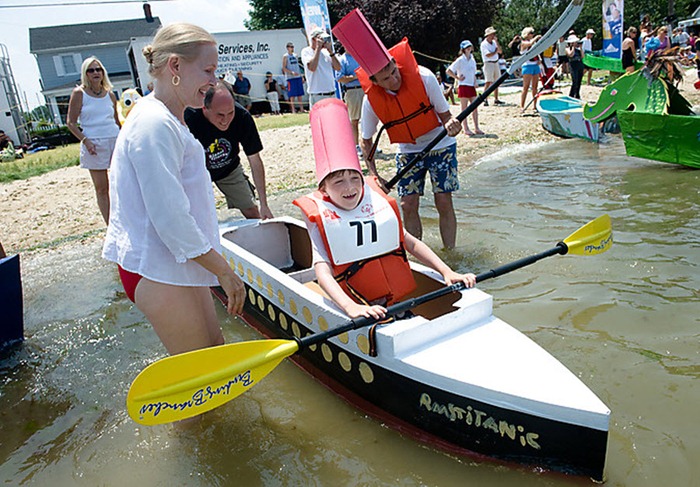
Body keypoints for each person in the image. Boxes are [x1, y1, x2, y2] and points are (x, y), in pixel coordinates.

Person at [102, 23, 245, 361]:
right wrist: (223, 271)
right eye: (208, 70)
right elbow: (170, 218)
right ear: (175, 66)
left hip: (177, 259)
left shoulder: (171, 118)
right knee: (196, 382)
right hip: (154, 264)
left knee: (215, 359)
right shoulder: (153, 124)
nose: (214, 80)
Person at [293, 98, 476, 320]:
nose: (350, 187)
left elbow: (411, 243)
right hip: (355, 303)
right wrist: (350, 307)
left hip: (393, 302)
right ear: (324, 188)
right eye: (338, 182)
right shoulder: (321, 218)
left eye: (354, 178)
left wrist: (446, 271)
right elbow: (323, 274)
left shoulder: (375, 202)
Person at [333, 9, 462, 249]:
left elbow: (446, 118)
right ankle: (418, 257)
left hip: (440, 144)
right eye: (386, 78)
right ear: (375, 82)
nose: (394, 79)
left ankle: (450, 254)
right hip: (408, 149)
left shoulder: (424, 77)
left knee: (443, 201)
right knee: (407, 204)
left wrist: (452, 125)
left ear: (395, 62)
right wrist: (374, 173)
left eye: (394, 71)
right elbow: (366, 141)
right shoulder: (371, 100)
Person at [185, 80, 273, 220]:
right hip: (196, 172)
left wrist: (264, 204)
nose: (226, 120)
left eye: (230, 113)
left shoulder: (242, 117)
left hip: (229, 169)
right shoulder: (188, 117)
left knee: (252, 211)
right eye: (220, 115)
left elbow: (255, 160)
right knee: (197, 217)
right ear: (204, 108)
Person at [66, 57, 120, 225]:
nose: (96, 73)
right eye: (91, 70)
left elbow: (117, 120)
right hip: (94, 144)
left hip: (114, 139)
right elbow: (71, 123)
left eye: (98, 69)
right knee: (102, 188)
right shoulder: (79, 94)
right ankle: (110, 225)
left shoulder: (109, 94)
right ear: (85, 74)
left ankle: (125, 221)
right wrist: (85, 141)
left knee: (122, 184)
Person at [447, 40, 483, 136]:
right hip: (463, 86)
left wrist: (475, 82)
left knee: (475, 107)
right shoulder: (460, 60)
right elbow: (449, 70)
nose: (469, 49)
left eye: (469, 47)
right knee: (464, 109)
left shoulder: (472, 59)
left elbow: (473, 73)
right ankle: (466, 128)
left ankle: (476, 127)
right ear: (463, 49)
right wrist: (457, 78)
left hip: (471, 85)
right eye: (467, 47)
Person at [301, 27, 341, 108]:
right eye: (322, 39)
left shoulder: (326, 52)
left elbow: (338, 67)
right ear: (314, 39)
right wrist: (318, 48)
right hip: (317, 95)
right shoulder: (306, 51)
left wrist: (330, 51)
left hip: (331, 93)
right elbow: (312, 68)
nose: (324, 42)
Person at [336, 50, 364, 153]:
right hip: (352, 91)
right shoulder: (342, 60)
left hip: (364, 89)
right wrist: (355, 77)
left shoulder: (359, 56)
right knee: (354, 120)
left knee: (366, 119)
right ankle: (356, 145)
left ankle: (368, 144)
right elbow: (339, 78)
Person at [480, 27, 505, 106]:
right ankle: (485, 99)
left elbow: (500, 51)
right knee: (488, 81)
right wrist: (495, 51)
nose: (493, 36)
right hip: (488, 63)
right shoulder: (484, 44)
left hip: (495, 62)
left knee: (496, 82)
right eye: (492, 34)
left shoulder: (494, 43)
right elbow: (488, 55)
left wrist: (497, 43)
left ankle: (496, 99)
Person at [519, 27, 541, 111]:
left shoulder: (533, 43)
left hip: (535, 65)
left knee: (535, 87)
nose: (532, 34)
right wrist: (536, 38)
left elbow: (536, 51)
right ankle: (522, 106)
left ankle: (535, 105)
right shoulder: (523, 43)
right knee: (526, 87)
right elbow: (529, 44)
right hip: (527, 66)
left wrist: (539, 59)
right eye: (530, 33)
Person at [282, 41, 305, 113]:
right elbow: (284, 68)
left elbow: (298, 66)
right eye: (291, 47)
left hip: (298, 77)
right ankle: (293, 109)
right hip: (290, 78)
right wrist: (291, 72)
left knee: (299, 94)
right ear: (287, 48)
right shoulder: (285, 56)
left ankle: (301, 108)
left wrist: (301, 76)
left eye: (293, 47)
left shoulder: (295, 55)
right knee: (292, 95)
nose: (292, 48)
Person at [566, 35, 584, 99]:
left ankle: (577, 94)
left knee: (579, 81)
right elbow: (571, 55)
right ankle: (571, 94)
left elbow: (582, 56)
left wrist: (581, 48)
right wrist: (573, 47)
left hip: (579, 64)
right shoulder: (567, 48)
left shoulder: (578, 49)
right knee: (575, 81)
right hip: (573, 65)